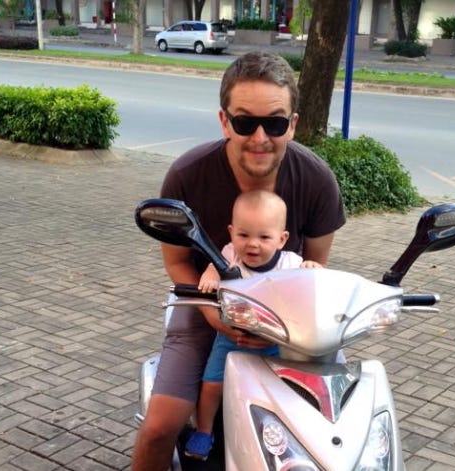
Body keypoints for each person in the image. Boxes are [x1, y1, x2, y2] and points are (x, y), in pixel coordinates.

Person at [131, 51, 346, 471]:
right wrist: (217, 317)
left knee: (330, 421)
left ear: (293, 124)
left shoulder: (317, 180)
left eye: (275, 123)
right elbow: (177, 262)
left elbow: (315, 269)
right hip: (204, 302)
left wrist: (277, 327)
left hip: (286, 315)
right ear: (224, 121)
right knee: (160, 427)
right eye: (245, 122)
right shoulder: (188, 175)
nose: (260, 137)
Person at [184, 189, 322, 461]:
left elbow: (309, 286)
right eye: (244, 235)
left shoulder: (291, 263)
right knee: (212, 384)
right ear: (231, 232)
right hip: (231, 337)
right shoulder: (229, 255)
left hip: (277, 341)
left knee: (288, 386)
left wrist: (312, 268)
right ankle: (204, 430)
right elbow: (213, 268)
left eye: (264, 237)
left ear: (282, 239)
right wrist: (210, 276)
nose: (253, 244)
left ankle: (294, 432)